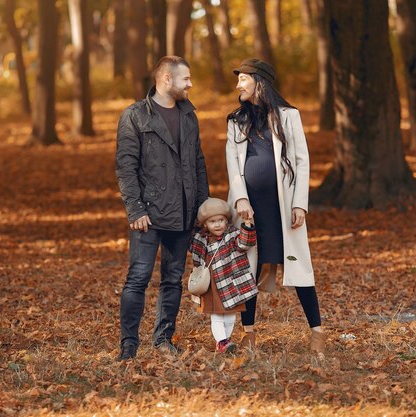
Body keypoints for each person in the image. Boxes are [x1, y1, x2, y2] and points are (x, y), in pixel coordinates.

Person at [225, 58, 327, 356]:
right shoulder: (236, 121)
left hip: (283, 206)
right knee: (248, 269)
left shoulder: (288, 116)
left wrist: (300, 204)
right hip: (249, 209)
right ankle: (249, 334)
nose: (238, 85)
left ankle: (317, 334)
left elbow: (301, 161)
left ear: (259, 82)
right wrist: (241, 198)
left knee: (300, 268)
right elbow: (233, 164)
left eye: (242, 79)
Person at [115, 56, 209, 361]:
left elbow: (198, 164)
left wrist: (202, 208)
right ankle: (129, 344)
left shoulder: (189, 116)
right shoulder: (134, 116)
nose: (191, 84)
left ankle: (163, 338)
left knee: (172, 279)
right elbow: (126, 167)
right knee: (138, 278)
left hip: (183, 212)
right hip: (148, 215)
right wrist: (135, 209)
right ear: (166, 79)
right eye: (186, 79)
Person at [189, 198, 258, 354]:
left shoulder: (232, 234)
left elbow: (245, 244)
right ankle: (222, 341)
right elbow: (194, 254)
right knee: (217, 316)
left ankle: (225, 343)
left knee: (230, 316)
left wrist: (247, 225)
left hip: (231, 283)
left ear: (226, 220)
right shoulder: (201, 239)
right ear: (205, 224)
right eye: (213, 221)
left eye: (221, 220)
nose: (218, 224)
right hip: (212, 285)